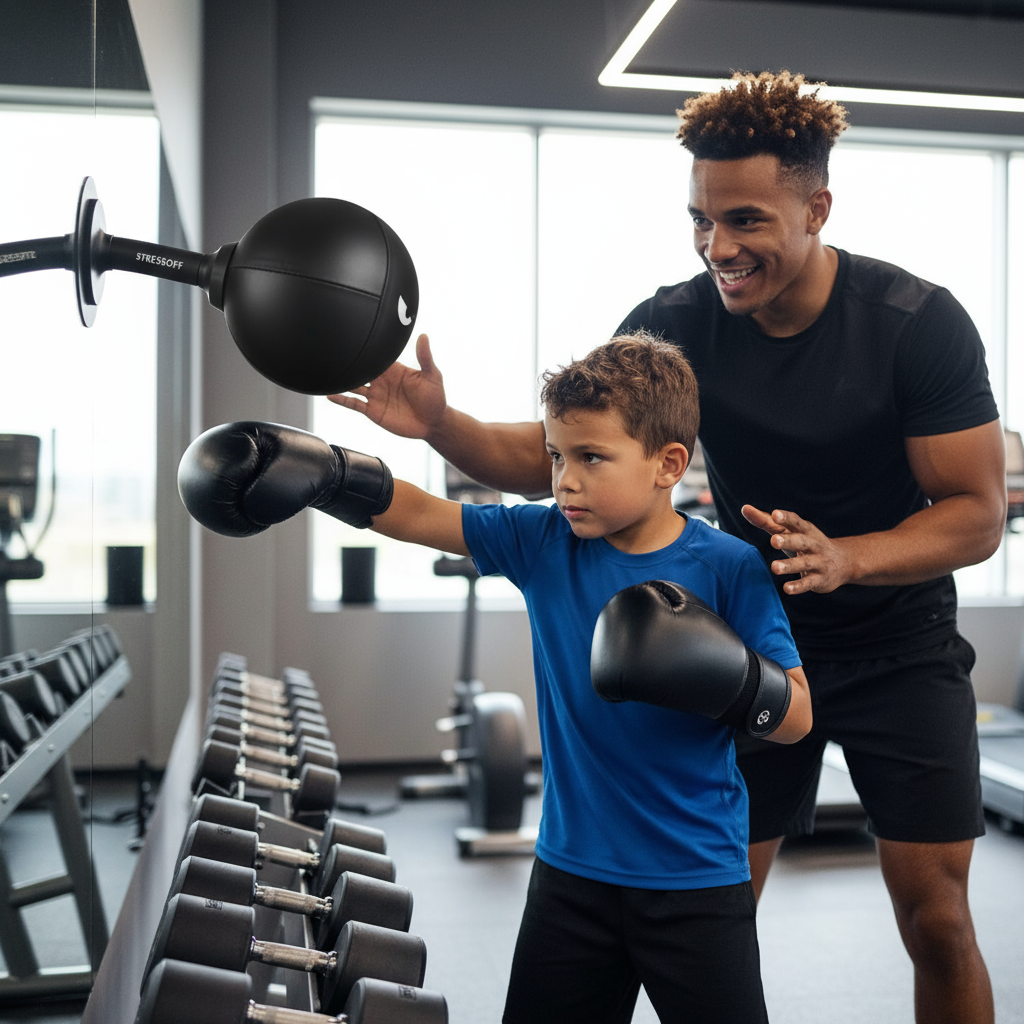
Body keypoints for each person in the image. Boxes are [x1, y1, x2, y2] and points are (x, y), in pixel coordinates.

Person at [328, 71, 1007, 1024]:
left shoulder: (913, 324)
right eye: (699, 219)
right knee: (714, 905)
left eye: (745, 221)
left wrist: (849, 557)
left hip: (900, 644)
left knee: (936, 920)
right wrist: (443, 425)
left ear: (817, 207)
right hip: (736, 639)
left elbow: (976, 512)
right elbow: (566, 454)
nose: (716, 247)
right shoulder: (681, 320)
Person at [179, 333, 812, 1023]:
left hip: (697, 880)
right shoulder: (545, 542)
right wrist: (326, 472)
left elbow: (798, 717)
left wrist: (719, 673)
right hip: (572, 877)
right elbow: (422, 515)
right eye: (556, 456)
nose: (565, 479)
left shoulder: (728, 566)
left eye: (591, 458)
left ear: (668, 464)